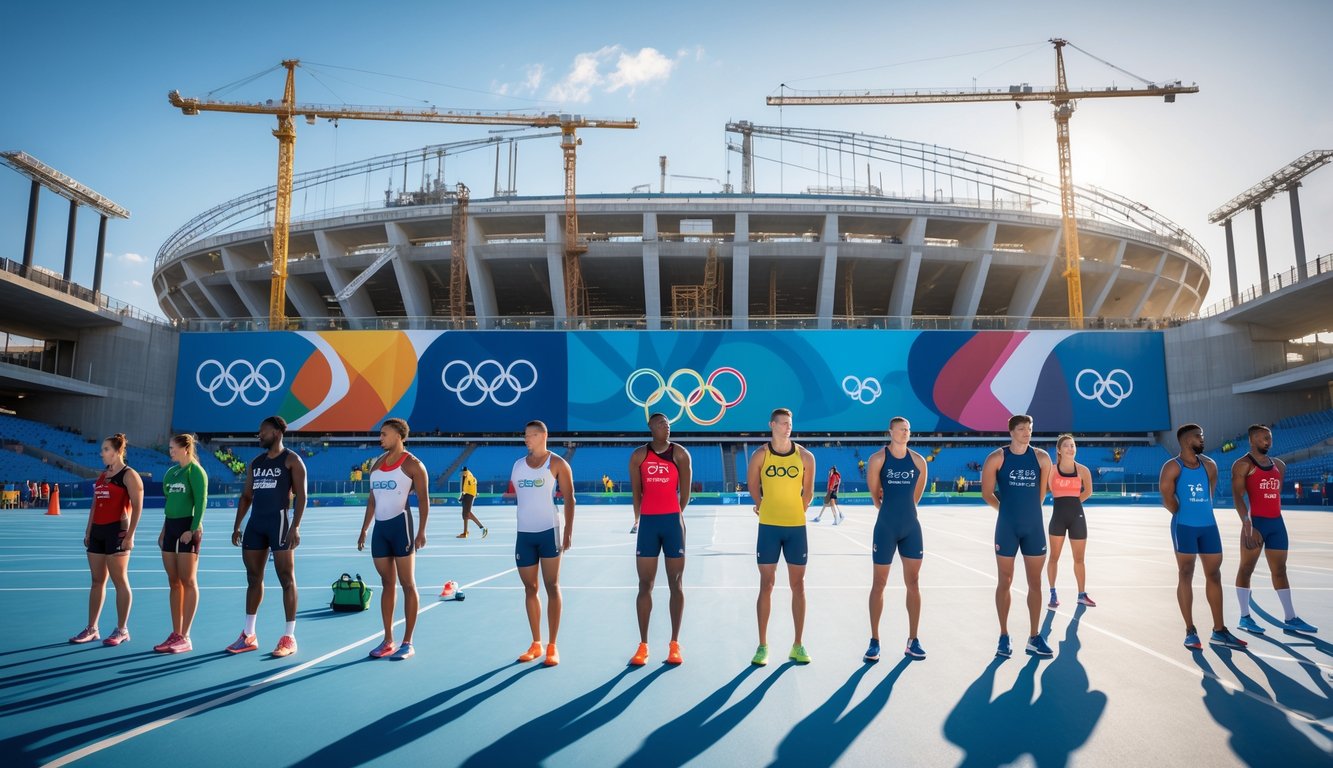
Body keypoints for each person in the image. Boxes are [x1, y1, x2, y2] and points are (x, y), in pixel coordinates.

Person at [1160, 423, 1246, 650]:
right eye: (1199, 436)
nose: (1202, 439)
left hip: (1208, 526)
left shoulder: (1210, 466)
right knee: (1186, 572)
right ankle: (1190, 630)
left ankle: (1219, 630)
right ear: (1187, 440)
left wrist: (1199, 511)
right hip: (1184, 526)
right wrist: (1183, 512)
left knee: (1214, 574)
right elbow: (1167, 499)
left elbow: (1209, 494)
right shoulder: (1172, 467)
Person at [227, 416, 308, 657]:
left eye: (263, 432)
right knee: (253, 578)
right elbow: (246, 497)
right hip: (256, 525)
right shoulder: (256, 462)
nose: (259, 435)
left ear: (277, 432)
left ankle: (289, 636)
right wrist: (237, 525)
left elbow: (301, 496)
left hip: (280, 524)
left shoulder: (292, 460)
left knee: (286, 578)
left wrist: (295, 527)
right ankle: (249, 634)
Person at [1232, 425, 1318, 634]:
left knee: (1280, 570)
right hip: (1255, 524)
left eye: (1269, 438)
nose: (1267, 442)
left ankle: (1291, 617)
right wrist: (1247, 524)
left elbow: (1275, 493)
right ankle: (1244, 617)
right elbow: (1238, 496)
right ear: (1252, 440)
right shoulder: (1243, 465)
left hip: (1276, 523)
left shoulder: (1279, 465)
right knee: (1246, 569)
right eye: (1262, 438)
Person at [980, 415, 1053, 659]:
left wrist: (1027, 514)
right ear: (1011, 431)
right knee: (1005, 580)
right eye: (1021, 429)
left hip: (1033, 527)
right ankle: (1003, 635)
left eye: (1029, 429)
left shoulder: (1042, 458)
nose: (1026, 433)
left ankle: (1034, 636)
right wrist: (1008, 511)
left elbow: (1041, 495)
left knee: (1036, 582)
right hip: (1007, 527)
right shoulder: (997, 458)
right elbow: (987, 493)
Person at [747, 407, 815, 665]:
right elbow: (753, 483)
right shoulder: (760, 455)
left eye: (790, 423)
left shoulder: (806, 457)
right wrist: (760, 503)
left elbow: (807, 492)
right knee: (767, 584)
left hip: (796, 528)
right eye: (783, 423)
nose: (788, 427)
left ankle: (798, 644)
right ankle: (762, 646)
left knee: (799, 586)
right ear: (772, 425)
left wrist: (799, 510)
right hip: (769, 527)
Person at [358, 419, 431, 660]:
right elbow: (372, 500)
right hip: (380, 531)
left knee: (407, 583)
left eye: (384, 434)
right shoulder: (376, 465)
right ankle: (388, 639)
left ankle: (407, 642)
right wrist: (364, 529)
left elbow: (423, 500)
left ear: (399, 436)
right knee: (387, 584)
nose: (380, 438)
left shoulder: (413, 465)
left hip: (402, 528)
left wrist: (421, 531)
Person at [627, 412, 692, 666]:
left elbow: (684, 494)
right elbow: (636, 492)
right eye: (661, 423)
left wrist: (674, 515)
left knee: (676, 583)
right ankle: (643, 645)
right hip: (648, 525)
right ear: (650, 427)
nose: (667, 426)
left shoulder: (680, 454)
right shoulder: (639, 456)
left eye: (668, 423)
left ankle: (674, 644)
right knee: (645, 585)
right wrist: (638, 518)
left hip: (673, 523)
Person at [864, 417, 929, 661]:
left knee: (914, 582)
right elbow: (875, 495)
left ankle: (913, 640)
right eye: (901, 429)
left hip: (911, 527)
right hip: (886, 527)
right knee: (879, 583)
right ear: (890, 431)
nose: (905, 432)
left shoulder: (919, 461)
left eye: (908, 430)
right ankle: (874, 641)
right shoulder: (878, 459)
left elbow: (916, 495)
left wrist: (906, 511)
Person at [511, 420, 575, 666]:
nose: (526, 439)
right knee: (530, 589)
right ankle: (536, 643)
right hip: (524, 535)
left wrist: (568, 531)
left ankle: (552, 645)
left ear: (543, 436)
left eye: (530, 435)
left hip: (549, 532)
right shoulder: (517, 466)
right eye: (525, 435)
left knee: (552, 586)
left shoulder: (557, 463)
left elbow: (570, 499)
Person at [70, 434, 144, 646]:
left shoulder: (130, 475)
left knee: (119, 580)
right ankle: (92, 628)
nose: (101, 453)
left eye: (105, 449)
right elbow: (95, 505)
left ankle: (122, 629)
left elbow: (138, 507)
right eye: (102, 449)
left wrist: (130, 535)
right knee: (97, 581)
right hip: (97, 532)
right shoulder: (103, 476)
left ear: (117, 451)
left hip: (117, 532)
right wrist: (88, 530)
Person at [153, 434, 208, 654]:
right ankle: (176, 633)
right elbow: (170, 504)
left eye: (173, 448)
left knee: (188, 581)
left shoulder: (196, 471)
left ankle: (186, 636)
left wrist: (192, 529)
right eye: (169, 448)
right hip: (171, 527)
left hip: (189, 527)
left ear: (186, 448)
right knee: (174, 582)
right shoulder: (171, 473)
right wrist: (164, 530)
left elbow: (201, 501)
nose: (170, 451)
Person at [1046, 434, 1096, 610]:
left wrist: (1073, 502)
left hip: (1077, 517)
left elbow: (1088, 491)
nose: (1070, 448)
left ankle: (1082, 595)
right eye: (1066, 446)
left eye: (1073, 445)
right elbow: (1041, 491)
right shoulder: (1051, 470)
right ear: (1059, 450)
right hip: (1058, 517)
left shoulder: (1083, 471)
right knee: (1054, 557)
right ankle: (1053, 593)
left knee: (1079, 559)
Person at [457, 466, 487, 539]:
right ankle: (465, 532)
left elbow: (462, 486)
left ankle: (482, 528)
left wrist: (461, 495)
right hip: (470, 494)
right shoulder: (470, 475)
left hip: (468, 494)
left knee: (467, 513)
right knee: (465, 514)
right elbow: (473, 485)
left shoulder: (464, 475)